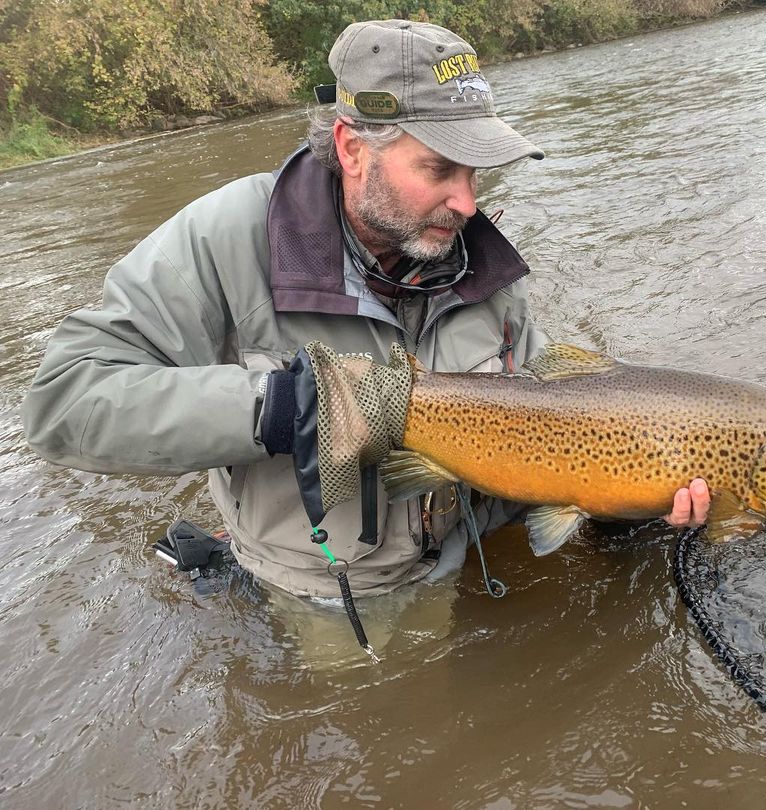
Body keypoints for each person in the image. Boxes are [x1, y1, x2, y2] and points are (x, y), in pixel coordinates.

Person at [21, 20, 709, 605]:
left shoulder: (481, 261)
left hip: (478, 556)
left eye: (477, 175)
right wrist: (279, 406)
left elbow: (554, 423)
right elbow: (64, 403)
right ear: (353, 149)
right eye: (441, 170)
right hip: (344, 590)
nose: (468, 203)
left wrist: (627, 499)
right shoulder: (224, 236)